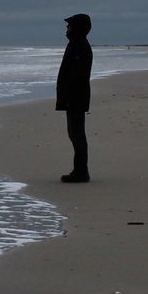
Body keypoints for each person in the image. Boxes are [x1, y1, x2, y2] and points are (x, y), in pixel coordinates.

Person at [55, 13, 93, 183]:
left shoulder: (79, 46)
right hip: (74, 96)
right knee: (74, 134)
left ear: (76, 28)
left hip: (76, 97)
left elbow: (77, 76)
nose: (66, 28)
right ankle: (80, 170)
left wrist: (68, 96)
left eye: (69, 26)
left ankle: (81, 172)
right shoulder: (76, 44)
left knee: (76, 134)